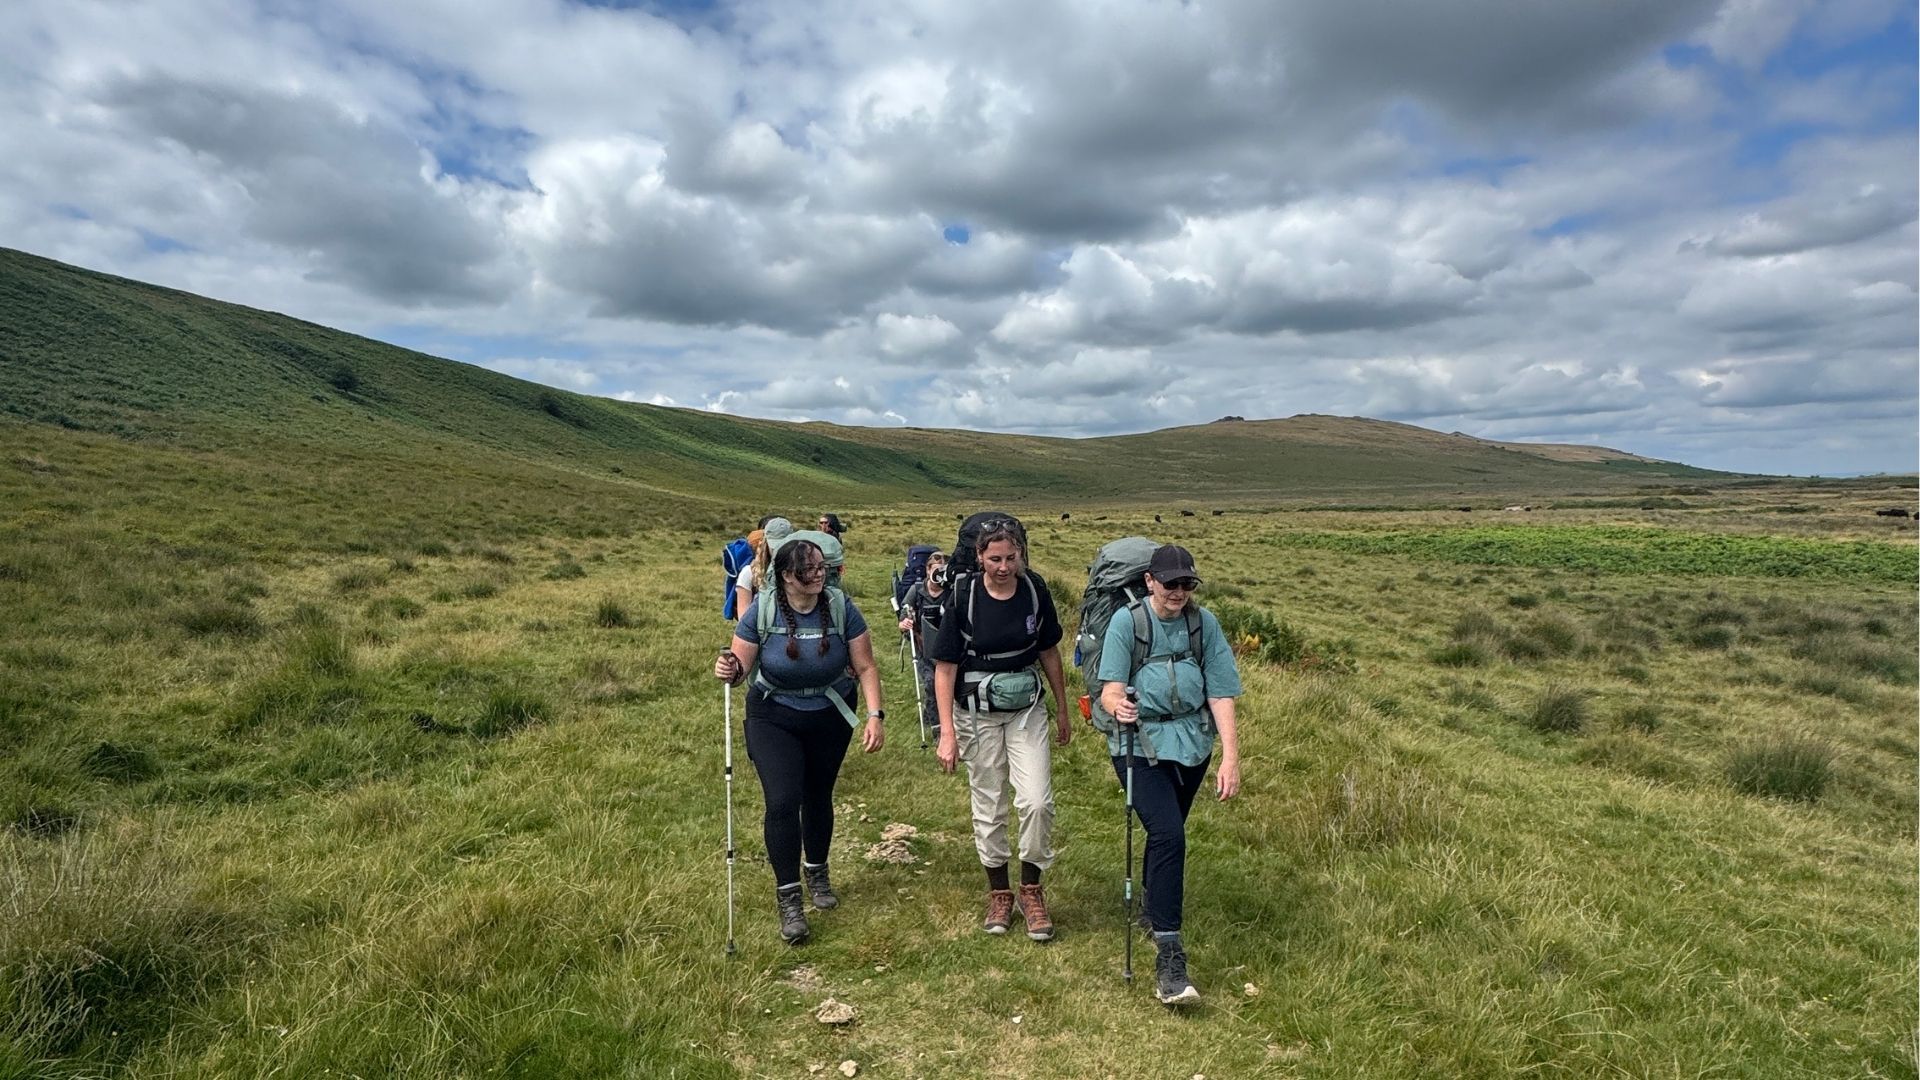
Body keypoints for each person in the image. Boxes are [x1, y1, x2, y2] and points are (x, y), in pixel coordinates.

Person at [715, 536, 885, 944]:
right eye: (810, 570)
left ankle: (818, 872)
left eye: (822, 568)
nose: (819, 575)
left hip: (829, 714)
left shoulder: (842, 608)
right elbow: (740, 671)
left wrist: (875, 715)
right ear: (787, 576)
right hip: (772, 716)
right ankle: (789, 896)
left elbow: (865, 666)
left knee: (818, 793)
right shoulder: (763, 609)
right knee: (782, 800)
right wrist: (729, 669)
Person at [1096, 544, 1242, 1005]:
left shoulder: (1205, 624)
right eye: (1170, 583)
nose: (1178, 591)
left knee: (1166, 835)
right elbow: (1109, 691)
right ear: (1149, 582)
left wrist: (1231, 758)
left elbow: (1220, 693)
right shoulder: (1128, 622)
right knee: (1170, 835)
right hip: (1137, 745)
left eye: (1186, 584)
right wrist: (1116, 705)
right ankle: (1169, 955)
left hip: (1193, 746)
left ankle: (1149, 906)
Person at [930, 517, 1072, 941]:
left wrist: (1062, 709)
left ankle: (1032, 890)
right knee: (990, 803)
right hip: (975, 712)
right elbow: (945, 668)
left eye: (1012, 558)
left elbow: (1048, 651)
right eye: (995, 559)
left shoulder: (1035, 590)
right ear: (979, 557)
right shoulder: (963, 595)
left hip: (1026, 708)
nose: (1005, 567)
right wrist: (947, 733)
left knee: (1036, 801)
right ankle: (1000, 893)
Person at [895, 550, 949, 743]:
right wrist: (905, 624)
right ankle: (937, 732)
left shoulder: (952, 590)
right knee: (931, 684)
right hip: (923, 647)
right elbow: (902, 618)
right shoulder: (917, 591)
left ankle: (947, 724)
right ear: (927, 570)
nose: (939, 575)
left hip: (947, 649)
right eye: (936, 570)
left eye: (943, 570)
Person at [734, 517, 794, 619]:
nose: (779, 551)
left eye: (785, 546)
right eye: (775, 546)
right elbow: (743, 620)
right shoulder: (749, 573)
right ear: (765, 544)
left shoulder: (802, 572)